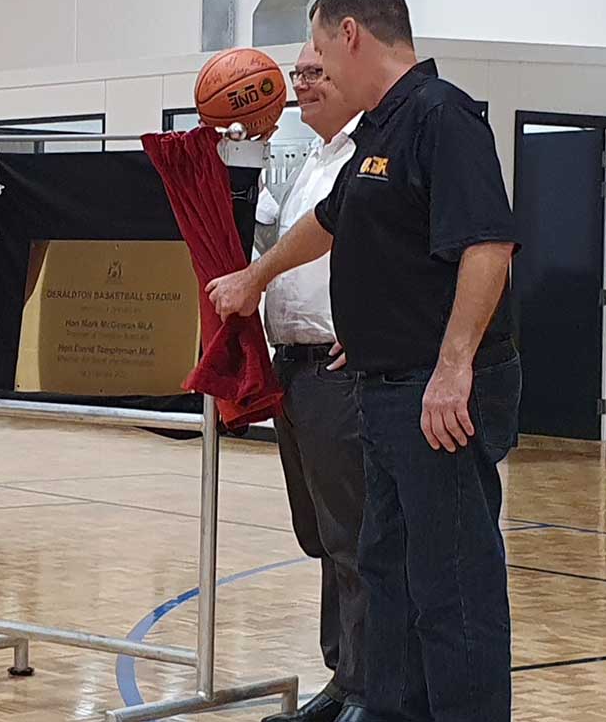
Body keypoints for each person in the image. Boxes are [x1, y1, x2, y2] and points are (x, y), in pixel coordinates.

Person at [209, 0, 521, 722]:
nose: (314, 67)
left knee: (451, 584)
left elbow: (489, 246)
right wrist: (256, 276)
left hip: (436, 396)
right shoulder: (380, 130)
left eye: (318, 48)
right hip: (383, 391)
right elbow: (330, 219)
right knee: (387, 574)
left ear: (350, 34)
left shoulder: (444, 118)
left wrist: (452, 369)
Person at [257, 42, 367, 722]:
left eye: (317, 72)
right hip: (292, 368)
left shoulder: (366, 157)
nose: (304, 84)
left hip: (338, 366)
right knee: (322, 537)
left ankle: (367, 688)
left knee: (354, 537)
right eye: (298, 73)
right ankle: (341, 678)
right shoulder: (312, 161)